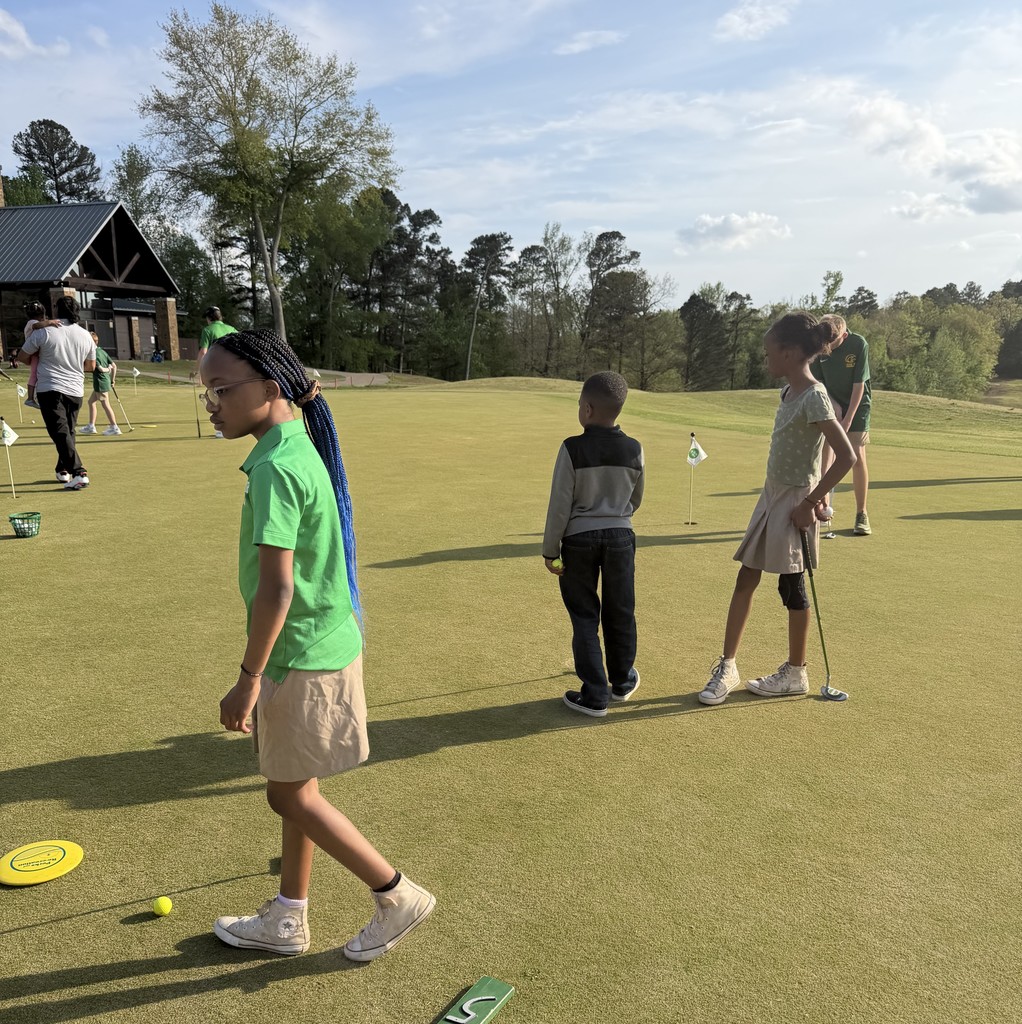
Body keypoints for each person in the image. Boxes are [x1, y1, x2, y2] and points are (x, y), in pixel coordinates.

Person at [201, 328, 435, 959]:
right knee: (295, 784)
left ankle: (395, 893)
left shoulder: (276, 467)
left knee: (287, 792)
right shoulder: (294, 444)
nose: (213, 405)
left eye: (222, 390)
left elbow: (277, 592)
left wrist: (248, 678)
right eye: (207, 394)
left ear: (271, 390)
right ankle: (289, 914)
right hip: (321, 641)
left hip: (298, 652)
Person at [698, 312, 856, 706]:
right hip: (771, 496)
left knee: (791, 586)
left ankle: (796, 672)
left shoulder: (814, 395)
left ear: (787, 354)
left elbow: (845, 456)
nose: (765, 358)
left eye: (769, 352)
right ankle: (728, 666)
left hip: (793, 502)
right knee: (745, 577)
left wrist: (811, 501)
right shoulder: (787, 393)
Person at [542, 371, 645, 717]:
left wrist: (550, 550)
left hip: (578, 540)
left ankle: (595, 694)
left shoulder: (572, 447)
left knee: (585, 615)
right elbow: (637, 498)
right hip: (621, 536)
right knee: (620, 609)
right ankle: (621, 680)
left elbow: (560, 504)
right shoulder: (635, 448)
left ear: (587, 408)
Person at [18, 296, 96, 490]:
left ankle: (78, 472)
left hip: (50, 388)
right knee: (67, 432)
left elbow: (22, 357)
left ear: (56, 310)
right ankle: (63, 470)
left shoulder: (45, 331)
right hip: (75, 389)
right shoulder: (86, 335)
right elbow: (90, 366)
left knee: (60, 432)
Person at [814, 313, 872, 536]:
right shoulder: (819, 343)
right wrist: (834, 405)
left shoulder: (858, 344)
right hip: (829, 402)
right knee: (825, 456)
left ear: (844, 335)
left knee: (855, 454)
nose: (826, 347)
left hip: (858, 406)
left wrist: (847, 419)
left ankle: (861, 514)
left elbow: (859, 385)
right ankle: (822, 507)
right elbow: (817, 381)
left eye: (832, 342)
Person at [197, 307, 237, 438]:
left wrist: (200, 372)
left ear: (209, 318)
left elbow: (203, 352)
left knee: (216, 399)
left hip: (217, 371)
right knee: (230, 397)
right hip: (234, 369)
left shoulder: (208, 330)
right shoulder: (232, 329)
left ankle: (221, 430)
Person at [78, 333, 121, 435]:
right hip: (103, 382)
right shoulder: (102, 351)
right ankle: (91, 426)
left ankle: (114, 427)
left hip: (100, 383)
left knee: (106, 405)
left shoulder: (94, 354)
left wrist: (108, 370)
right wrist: (112, 380)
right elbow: (114, 366)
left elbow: (102, 369)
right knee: (91, 402)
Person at [22, 302, 59, 408]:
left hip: (36, 352)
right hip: (34, 353)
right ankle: (30, 398)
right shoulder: (32, 322)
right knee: (34, 374)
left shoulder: (33, 322)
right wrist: (50, 322)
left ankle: (33, 396)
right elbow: (37, 325)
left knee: (37, 373)